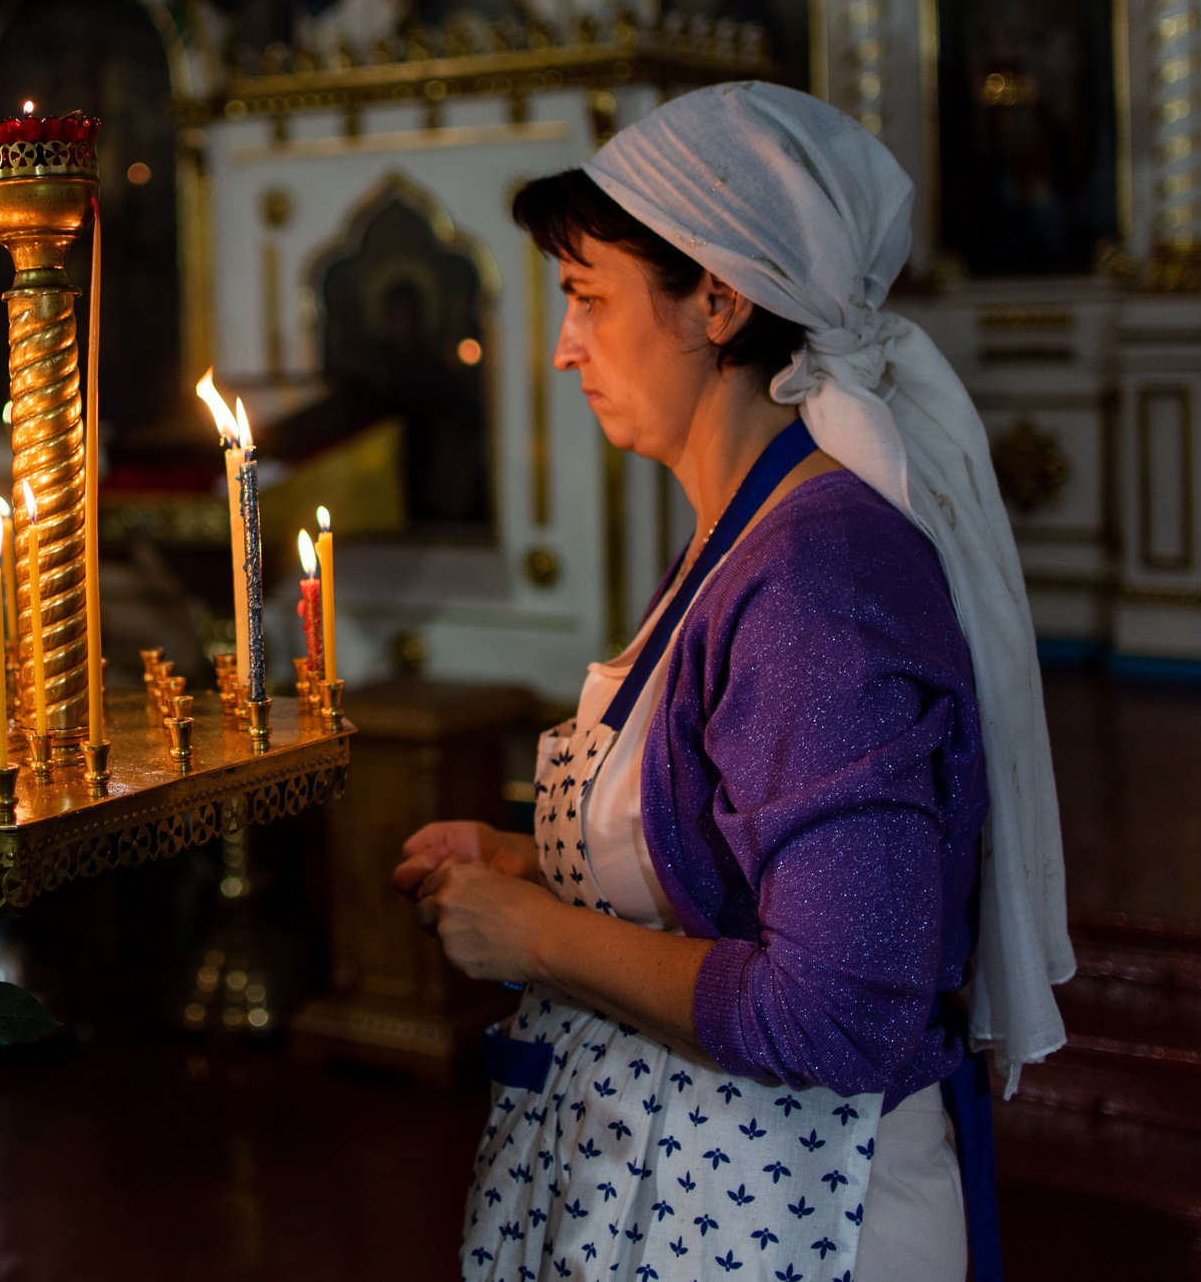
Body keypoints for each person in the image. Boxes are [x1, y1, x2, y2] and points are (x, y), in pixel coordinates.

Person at [396, 83, 1071, 1282]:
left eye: (589, 297)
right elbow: (728, 840)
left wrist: (541, 935)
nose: (564, 345)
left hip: (813, 1222)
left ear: (716, 297)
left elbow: (837, 1007)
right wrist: (533, 860)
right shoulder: (742, 533)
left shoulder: (819, 579)